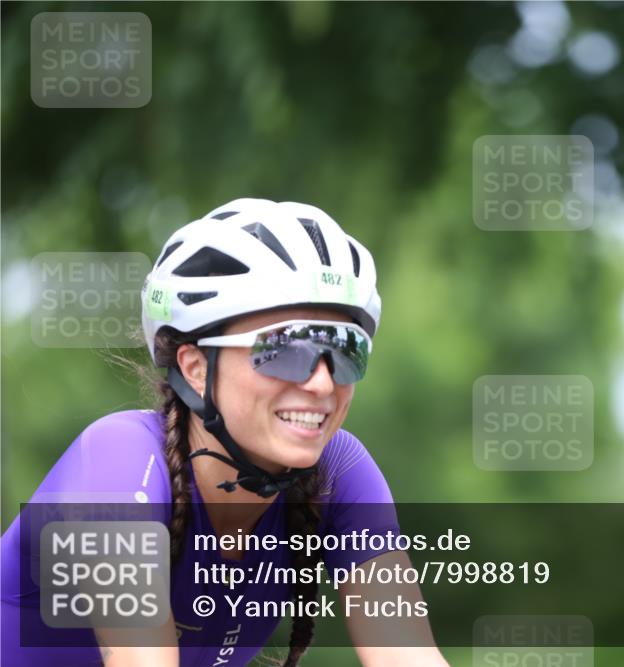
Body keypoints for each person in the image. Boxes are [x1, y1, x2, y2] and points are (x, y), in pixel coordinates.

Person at [1, 198, 450, 667]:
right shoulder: (118, 464)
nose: (321, 382)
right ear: (195, 367)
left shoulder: (340, 471)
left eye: (344, 350)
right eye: (285, 348)